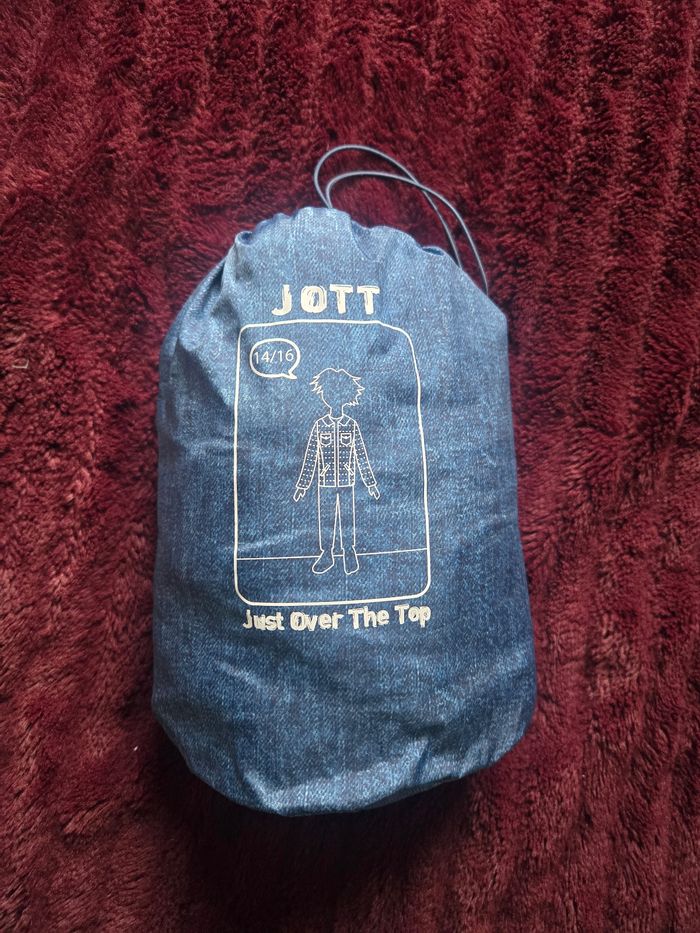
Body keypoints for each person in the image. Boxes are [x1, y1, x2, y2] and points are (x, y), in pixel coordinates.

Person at [294, 368, 379, 575]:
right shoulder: (319, 426)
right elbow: (311, 456)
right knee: (326, 519)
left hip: (348, 482)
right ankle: (326, 554)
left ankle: (349, 552)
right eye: (330, 393)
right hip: (325, 483)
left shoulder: (351, 425)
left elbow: (361, 455)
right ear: (324, 395)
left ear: (347, 396)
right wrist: (302, 486)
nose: (334, 398)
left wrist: (371, 483)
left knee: (348, 518)